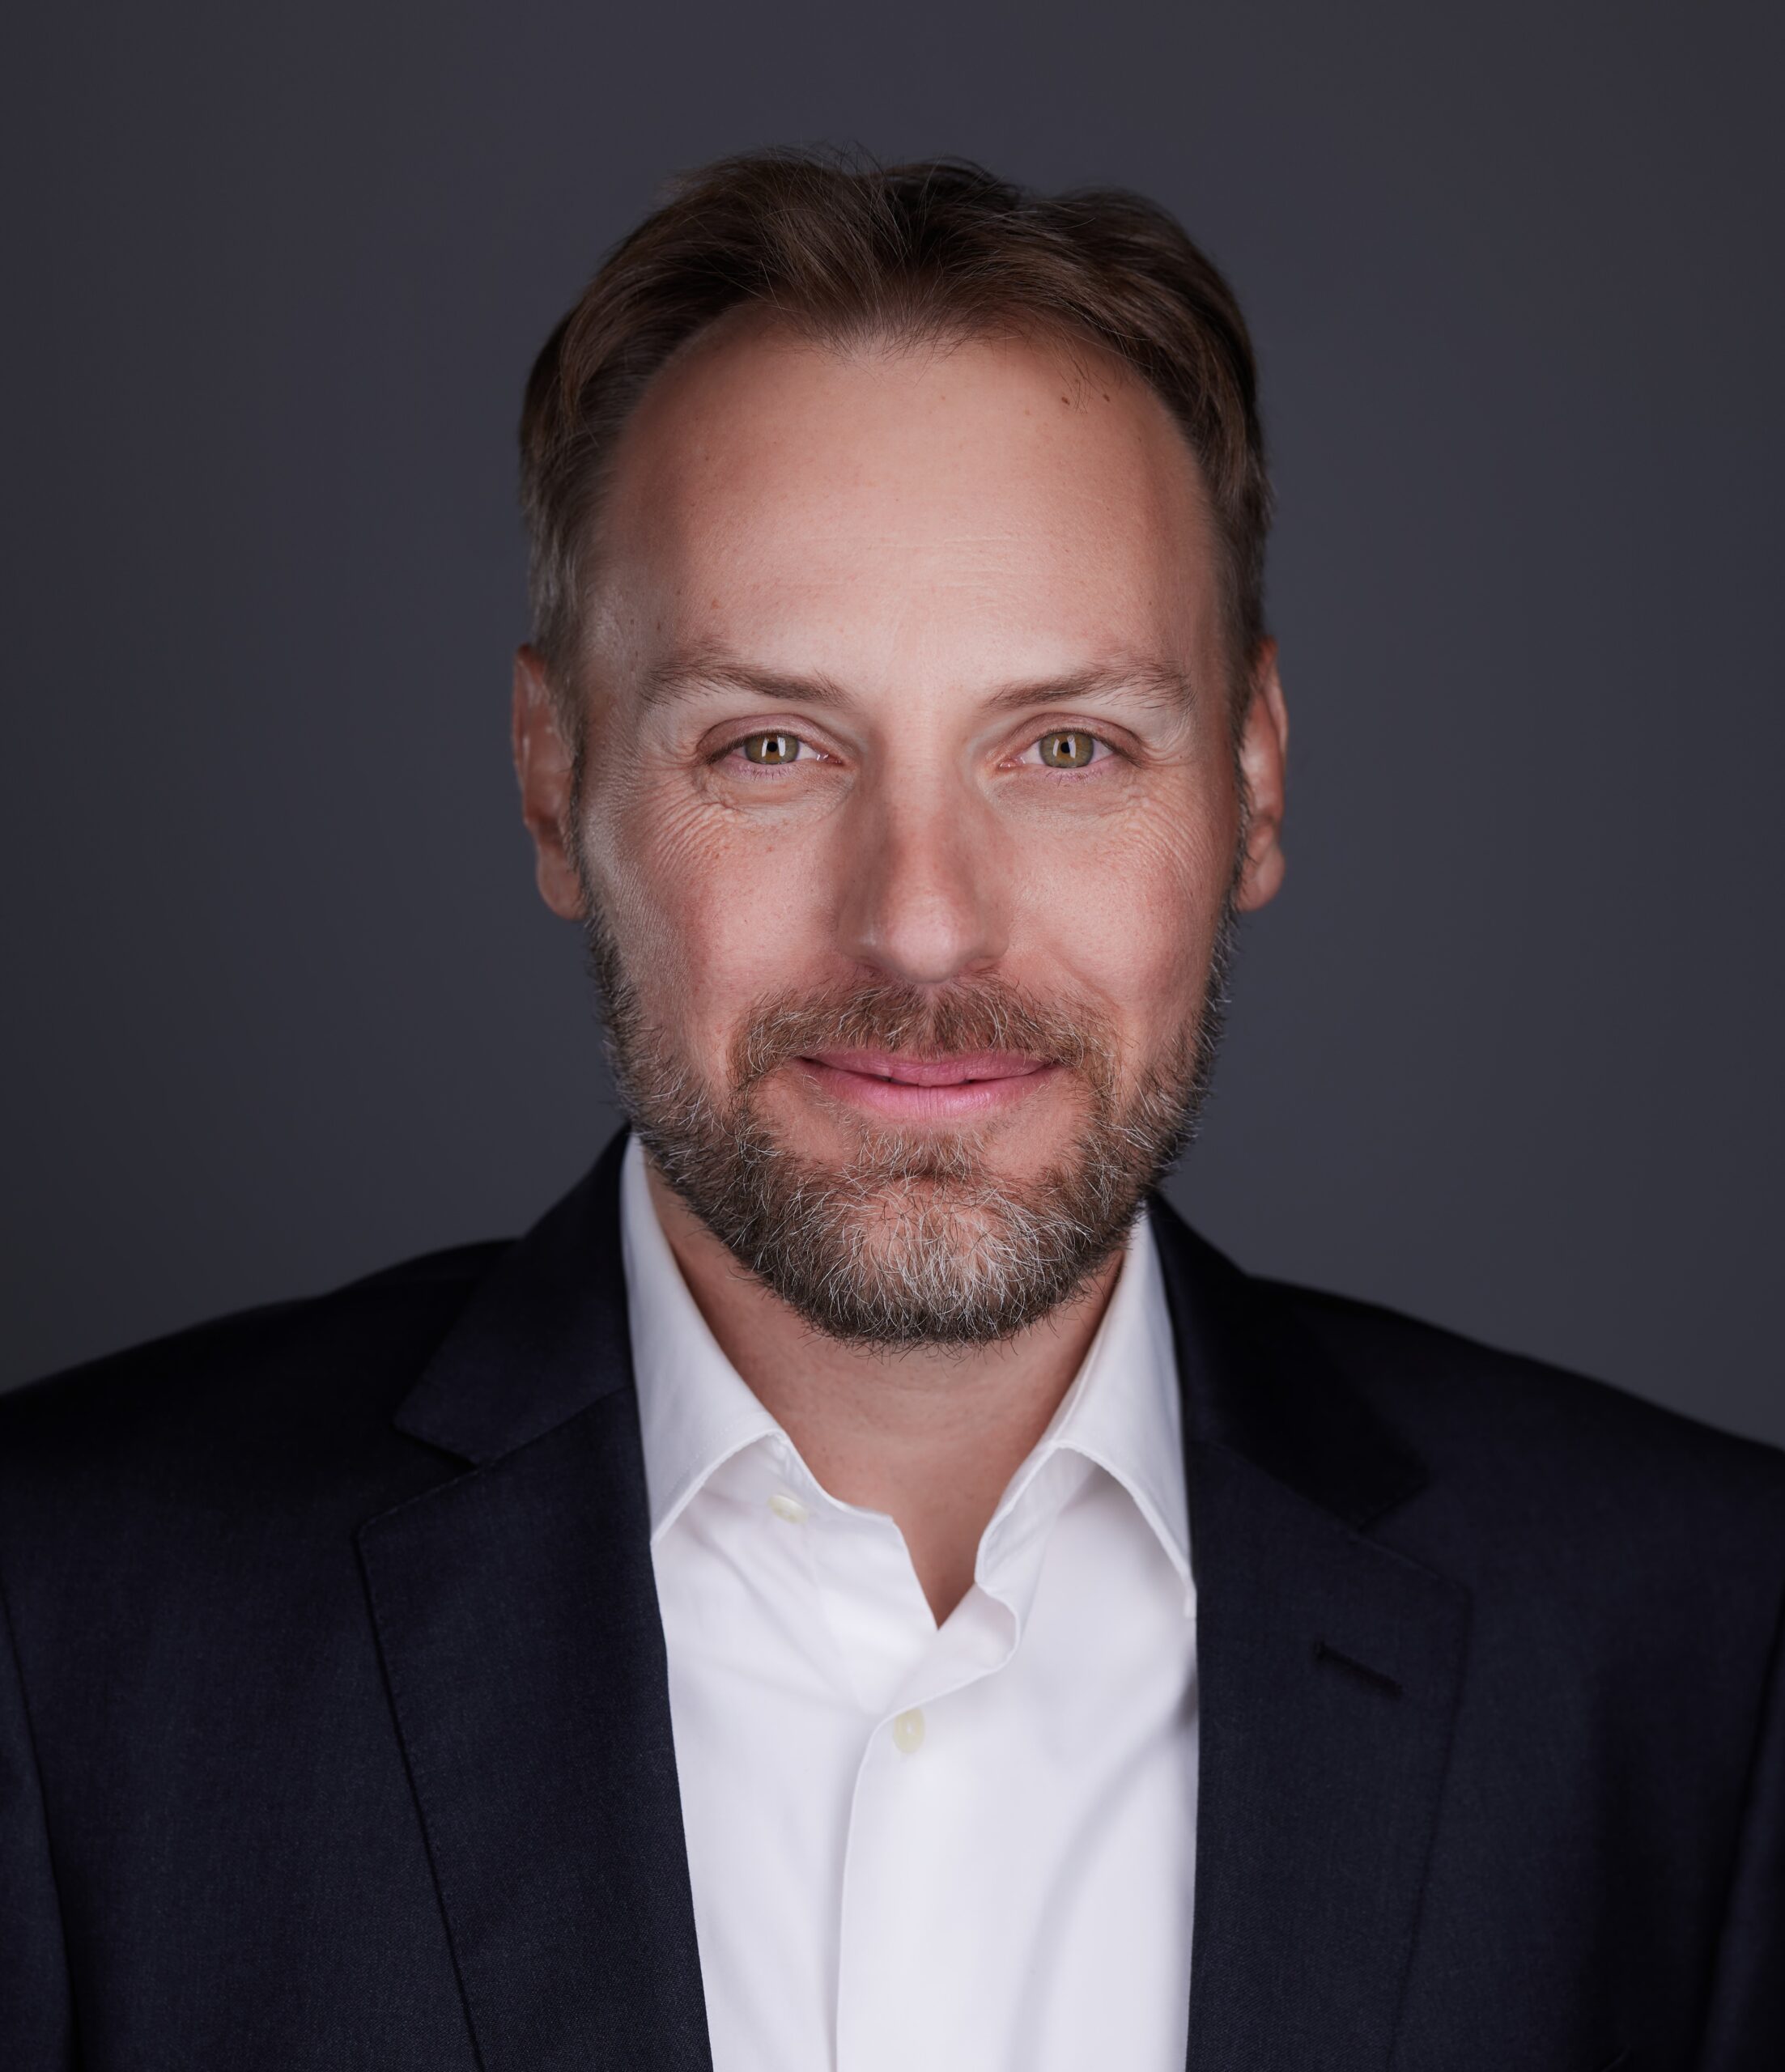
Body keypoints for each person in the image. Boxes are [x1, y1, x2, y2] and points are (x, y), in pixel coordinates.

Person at [2, 150, 1781, 2072]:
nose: (922, 919)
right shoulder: (64, 1624)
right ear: (552, 780)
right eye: (770, 744)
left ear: (1249, 785)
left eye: (1068, 745)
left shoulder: (1695, 1651)